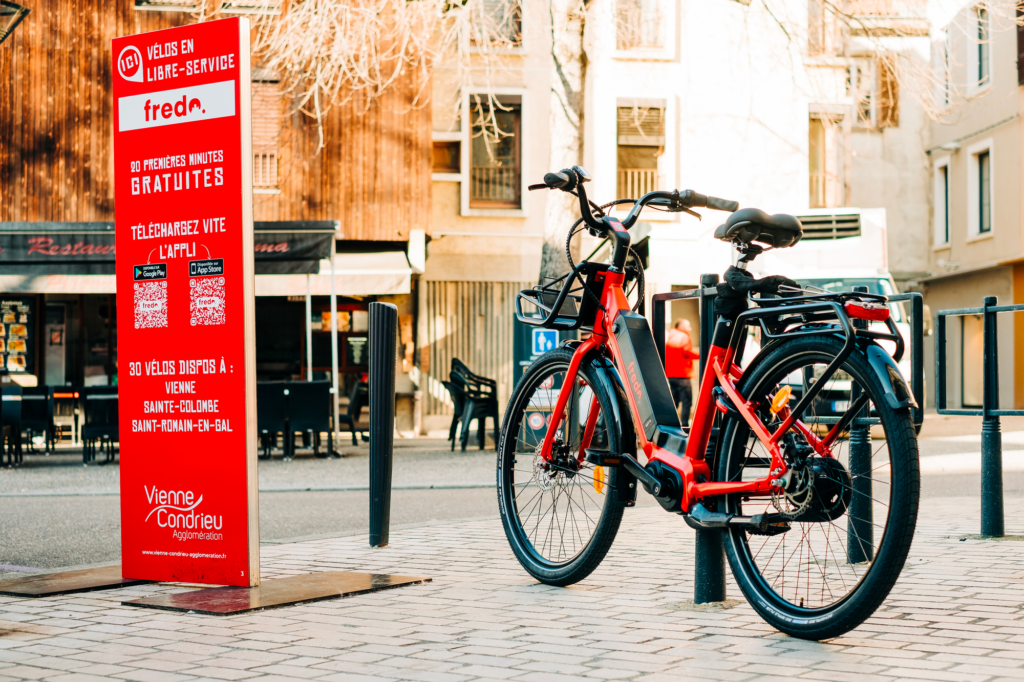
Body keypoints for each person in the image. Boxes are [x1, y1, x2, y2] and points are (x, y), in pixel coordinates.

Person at [666, 318, 700, 428]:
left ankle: (670, 424)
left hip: (671, 375)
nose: (690, 329)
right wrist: (702, 354)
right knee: (686, 402)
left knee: (674, 402)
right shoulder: (684, 336)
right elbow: (686, 351)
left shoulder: (670, 336)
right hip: (683, 375)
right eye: (688, 326)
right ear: (681, 326)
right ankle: (685, 425)